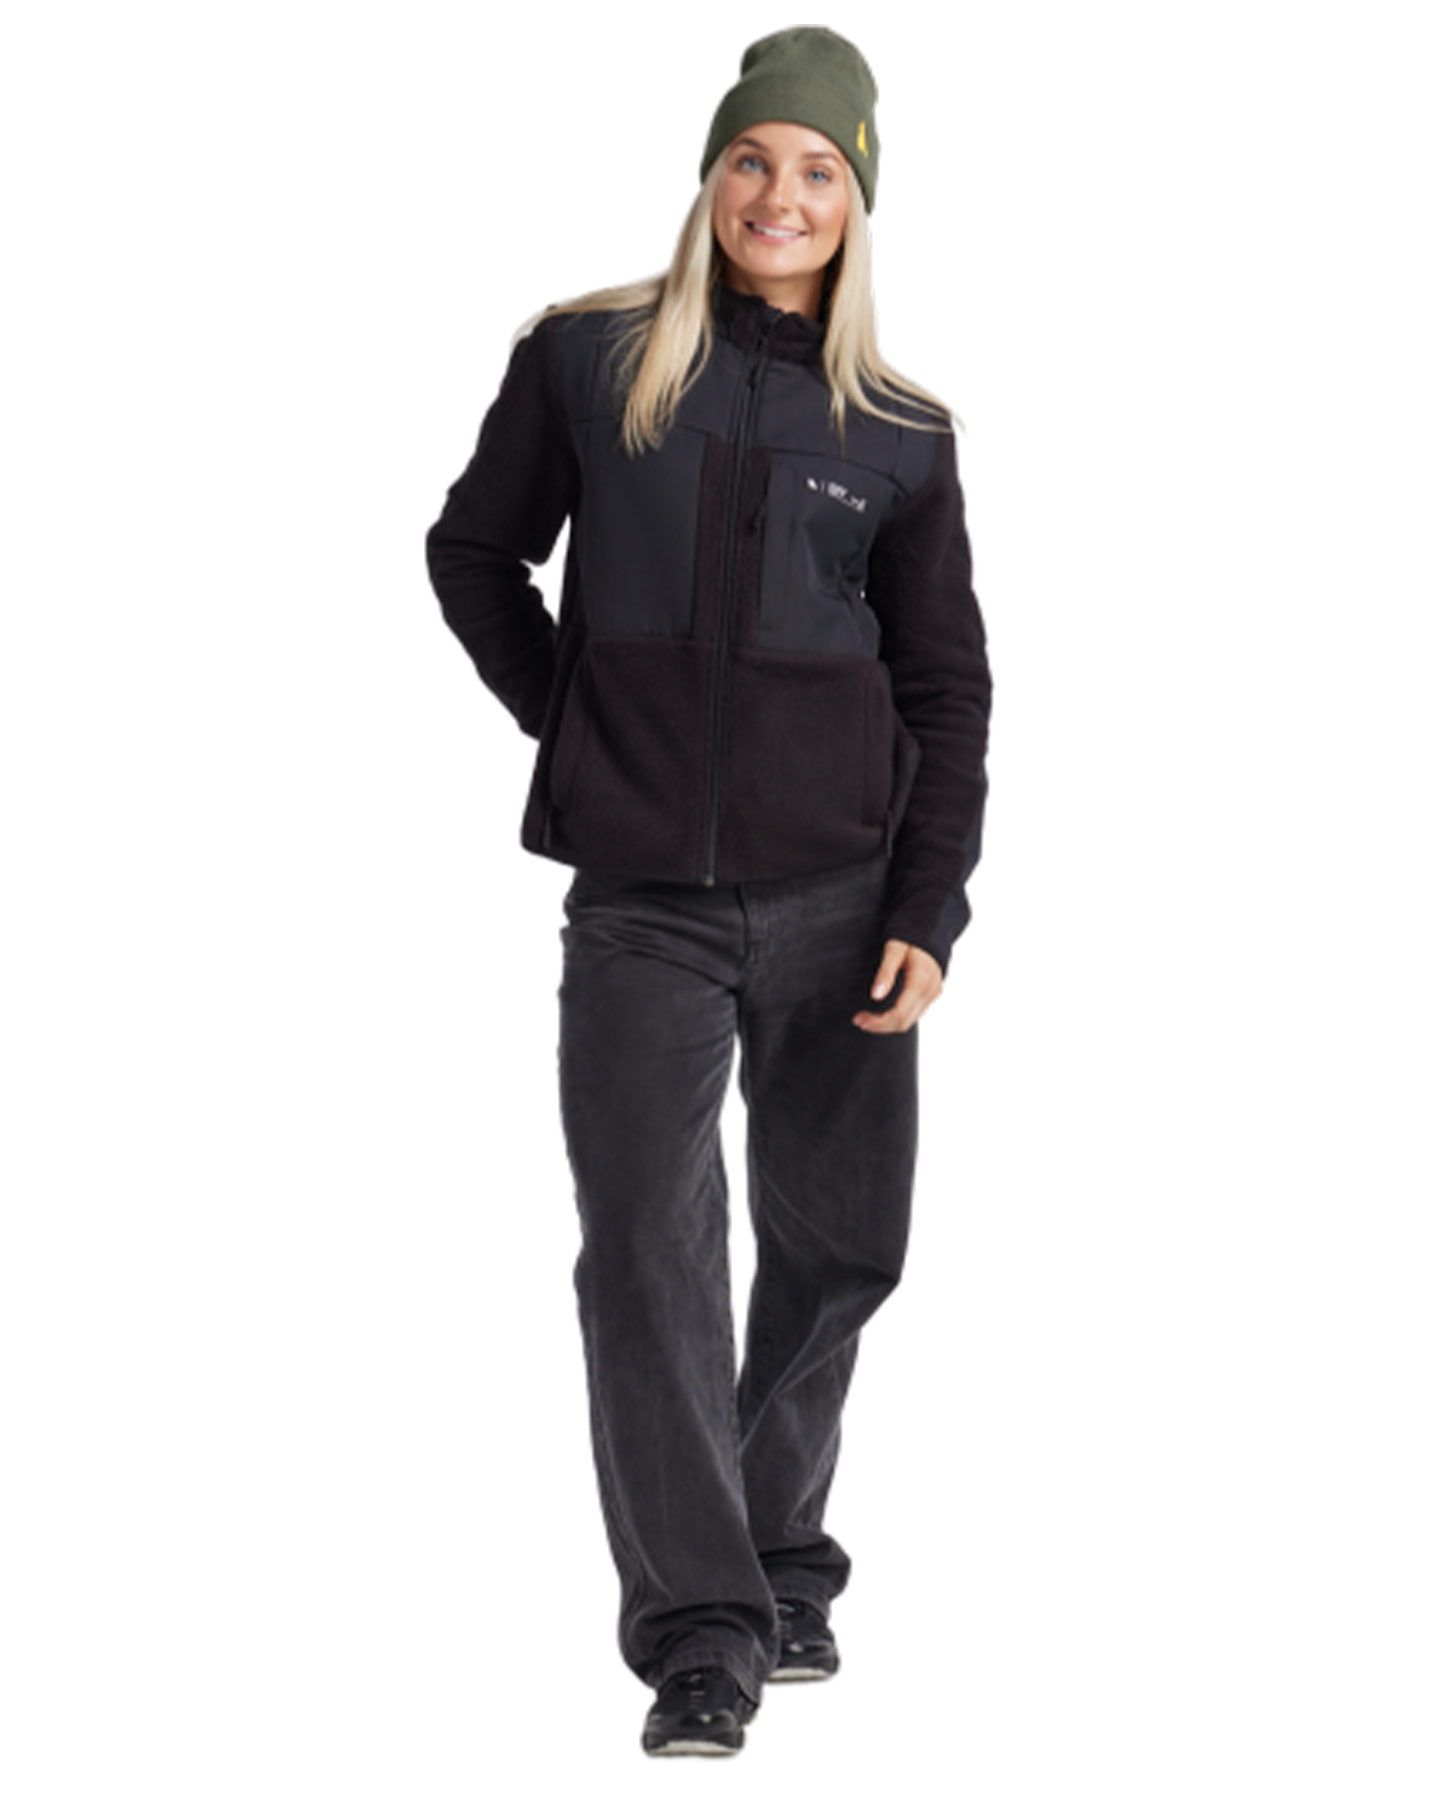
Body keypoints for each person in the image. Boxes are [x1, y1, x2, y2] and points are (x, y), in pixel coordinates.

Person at [426, 25, 992, 1762]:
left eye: (819, 170)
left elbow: (944, 685)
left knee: (841, 1244)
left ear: (856, 205)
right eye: (754, 159)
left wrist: (929, 910)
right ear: (711, 178)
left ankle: (785, 1551)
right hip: (642, 906)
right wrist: (572, 719)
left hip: (842, 896)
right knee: (649, 1260)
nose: (781, 194)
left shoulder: (901, 427)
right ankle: (703, 1638)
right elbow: (474, 553)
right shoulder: (588, 360)